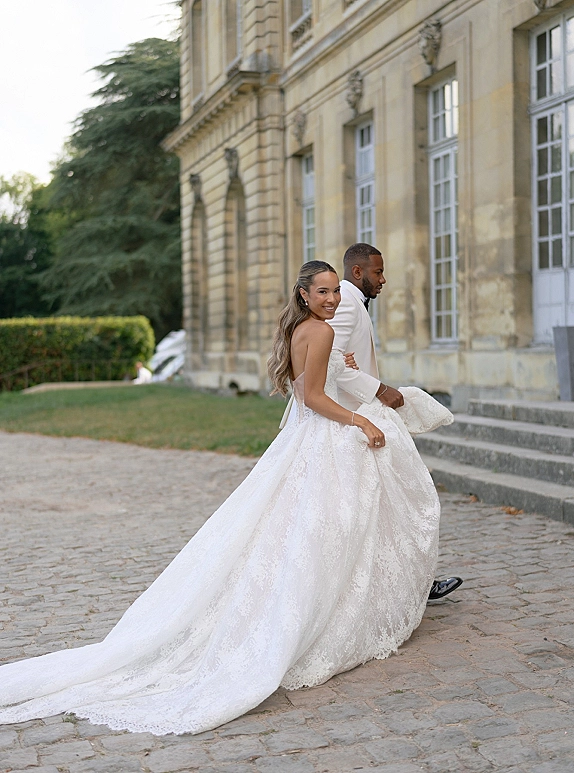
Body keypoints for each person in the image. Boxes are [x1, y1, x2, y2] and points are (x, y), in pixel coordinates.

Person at [0, 261, 450, 737]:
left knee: (302, 529)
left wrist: (344, 367)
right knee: (328, 529)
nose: (333, 300)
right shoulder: (318, 332)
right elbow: (314, 397)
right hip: (326, 436)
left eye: (336, 291)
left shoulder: (305, 329)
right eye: (322, 292)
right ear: (303, 295)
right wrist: (360, 420)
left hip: (309, 439)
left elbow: (306, 388)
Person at [328, 242, 463, 601]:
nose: (383, 279)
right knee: (401, 498)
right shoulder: (345, 305)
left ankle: (409, 581)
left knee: (387, 504)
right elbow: (329, 363)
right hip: (352, 422)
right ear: (358, 272)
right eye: (378, 272)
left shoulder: (353, 303)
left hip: (359, 417)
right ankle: (403, 585)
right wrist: (380, 389)